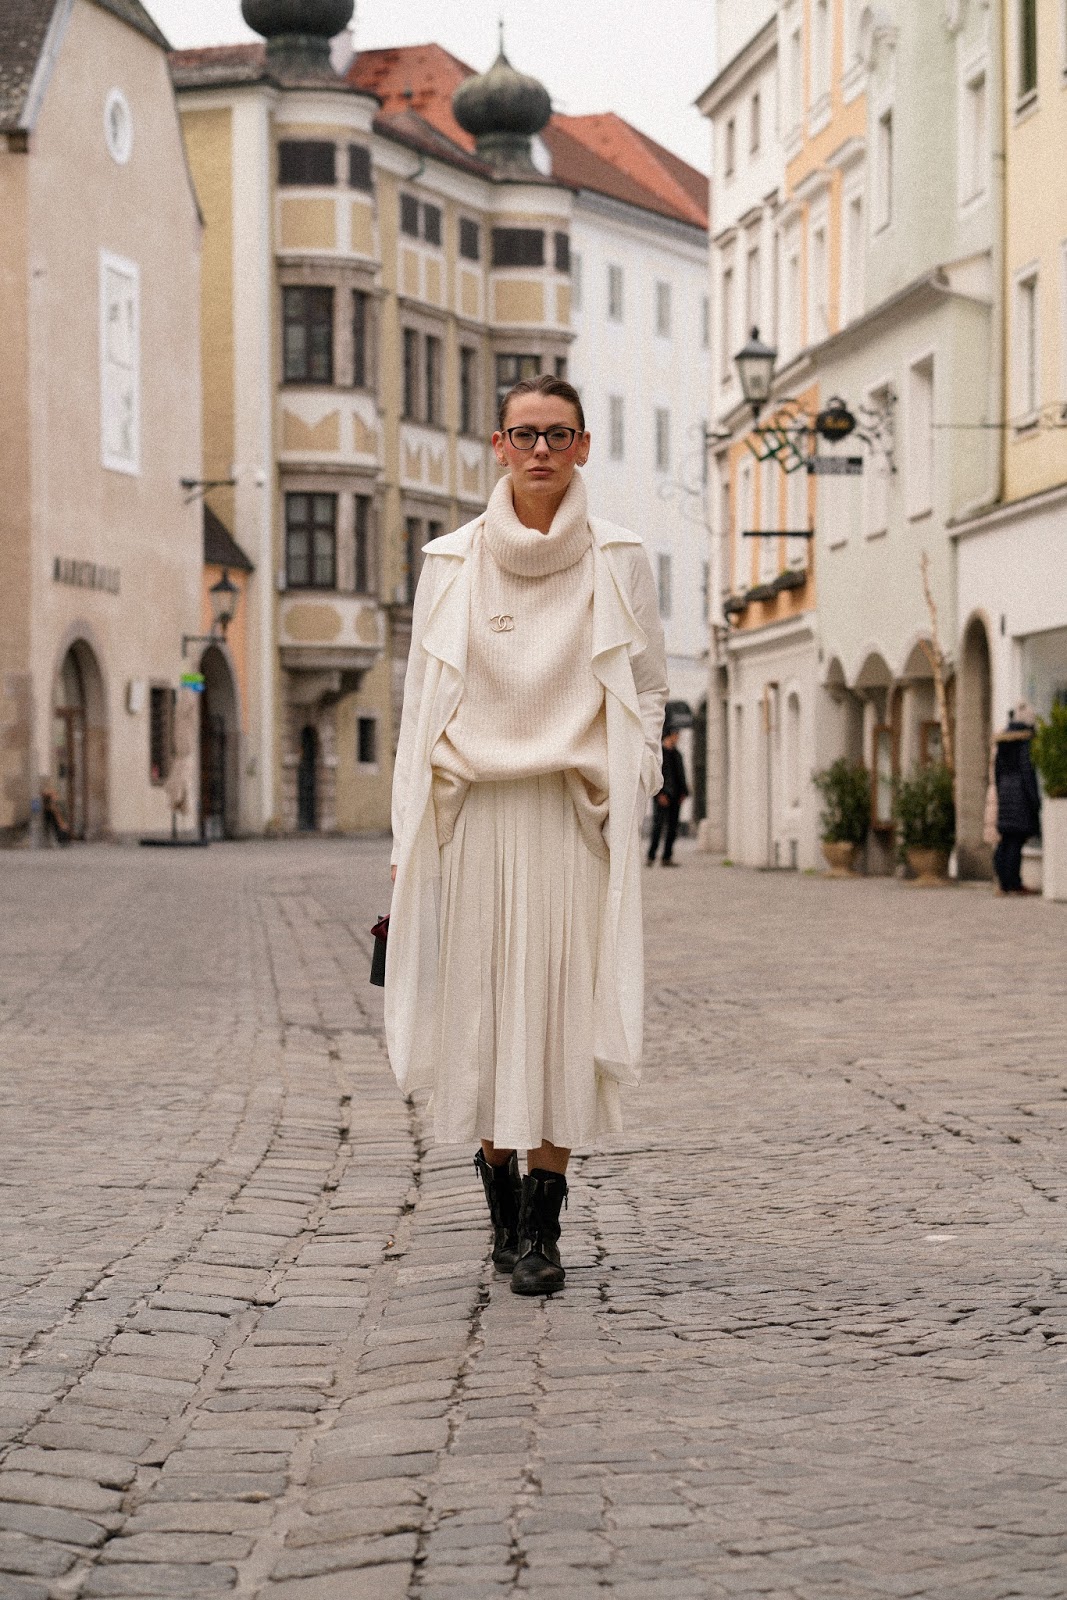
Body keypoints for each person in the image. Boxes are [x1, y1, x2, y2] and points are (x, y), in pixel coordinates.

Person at [386, 375, 668, 1297]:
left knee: (556, 1018)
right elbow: (420, 704)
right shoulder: (450, 561)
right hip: (473, 819)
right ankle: (500, 1208)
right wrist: (405, 838)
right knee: (479, 1013)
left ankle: (543, 1230)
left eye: (558, 435)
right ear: (497, 445)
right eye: (523, 434)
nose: (540, 451)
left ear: (583, 445)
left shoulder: (620, 557)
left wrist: (638, 779)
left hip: (568, 815)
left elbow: (651, 683)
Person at [993, 702, 1041, 895]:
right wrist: (1034, 800)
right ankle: (1012, 883)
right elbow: (1027, 772)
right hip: (1020, 794)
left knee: (1006, 840)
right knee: (1015, 841)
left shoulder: (1004, 740)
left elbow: (997, 771)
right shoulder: (1025, 742)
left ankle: (1004, 881)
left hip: (1005, 793)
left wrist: (1001, 791)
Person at [647, 725, 688, 867]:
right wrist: (659, 794)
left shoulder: (677, 754)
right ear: (670, 735)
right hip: (662, 796)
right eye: (676, 735)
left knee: (672, 827)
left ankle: (667, 857)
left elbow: (681, 774)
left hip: (676, 796)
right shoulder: (660, 755)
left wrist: (684, 792)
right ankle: (651, 856)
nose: (678, 738)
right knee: (658, 826)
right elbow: (655, 775)